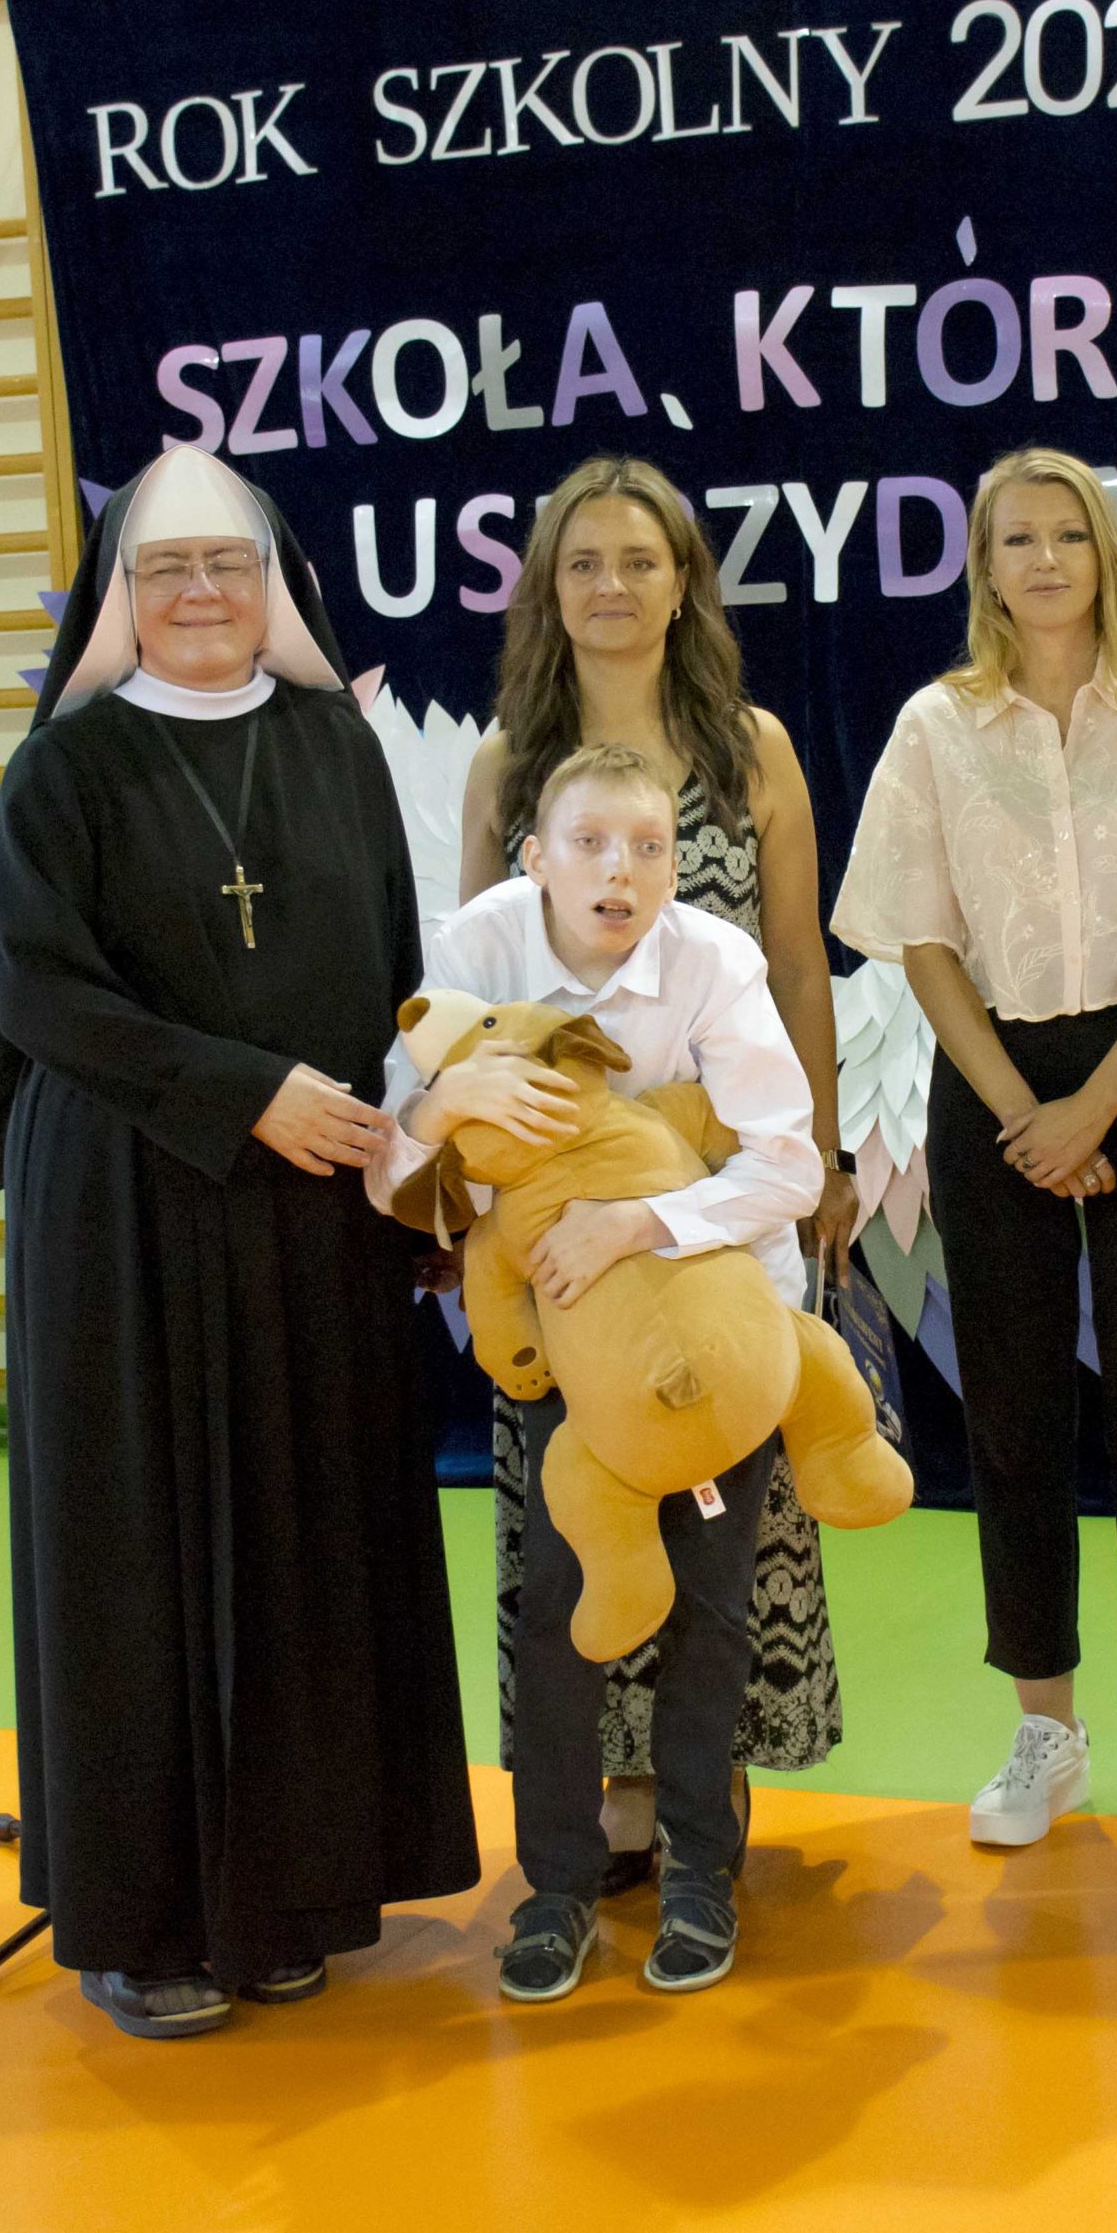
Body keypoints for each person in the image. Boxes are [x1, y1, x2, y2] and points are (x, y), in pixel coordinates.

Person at [0, 447, 478, 2042]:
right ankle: (150, 1926)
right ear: (120, 600)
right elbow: (36, 993)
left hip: (315, 1207)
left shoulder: (334, 747)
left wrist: (418, 1179)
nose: (200, 594)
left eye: (228, 567)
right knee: (144, 1558)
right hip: (127, 1213)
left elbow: (394, 971)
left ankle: (297, 1894)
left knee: (307, 1544)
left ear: (273, 590)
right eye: (166, 571)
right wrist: (244, 1093)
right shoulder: (62, 775)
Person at [832, 447, 1117, 1857]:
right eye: (1014, 539)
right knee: (1012, 1419)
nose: (1043, 561)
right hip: (992, 1082)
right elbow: (920, 939)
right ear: (983, 566)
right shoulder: (935, 724)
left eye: (1067, 535)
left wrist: (1093, 1107)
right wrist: (1025, 1106)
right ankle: (1045, 1730)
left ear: (1106, 553)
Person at [372, 742, 823, 1996]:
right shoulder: (477, 947)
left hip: (718, 1338)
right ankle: (556, 1885)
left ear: (676, 865)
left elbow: (789, 1164)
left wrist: (635, 1221)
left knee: (711, 1612)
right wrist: (442, 1106)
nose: (619, 871)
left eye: (648, 847)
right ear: (533, 856)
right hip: (565, 1351)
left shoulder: (713, 960)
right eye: (589, 844)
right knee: (558, 1611)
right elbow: (393, 1159)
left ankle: (698, 1871)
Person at [457, 458, 851, 1884]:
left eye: (638, 560)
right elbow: (474, 1011)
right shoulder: (506, 762)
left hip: (712, 1211)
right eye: (582, 562)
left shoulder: (752, 750)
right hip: (558, 1231)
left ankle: (702, 1778)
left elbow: (798, 964)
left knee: (721, 1486)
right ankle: (598, 1790)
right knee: (577, 1502)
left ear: (684, 583)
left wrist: (822, 1152)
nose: (611, 586)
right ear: (547, 590)